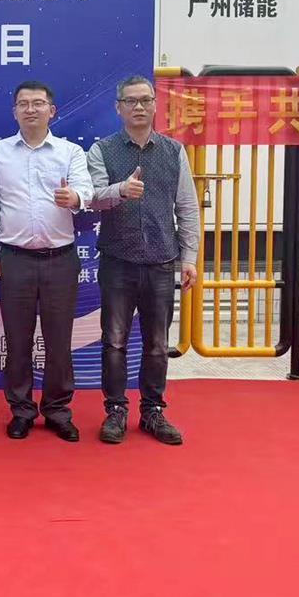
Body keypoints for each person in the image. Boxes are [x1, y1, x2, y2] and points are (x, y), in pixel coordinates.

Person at [86, 75, 199, 446]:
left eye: (145, 100)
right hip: (118, 261)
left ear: (155, 105)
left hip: (162, 262)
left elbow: (187, 207)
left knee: (157, 343)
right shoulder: (102, 150)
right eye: (130, 101)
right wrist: (121, 190)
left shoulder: (173, 151)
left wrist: (189, 257)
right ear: (118, 107)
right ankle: (116, 410)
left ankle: (153, 410)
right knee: (114, 341)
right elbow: (92, 198)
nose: (138, 107)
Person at [0, 80, 93, 443]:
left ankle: (57, 410)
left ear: (52, 110)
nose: (30, 109)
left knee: (59, 341)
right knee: (17, 341)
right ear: (15, 111)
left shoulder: (69, 152)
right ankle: (21, 411)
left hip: (60, 259)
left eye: (38, 103)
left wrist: (74, 197)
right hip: (14, 259)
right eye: (23, 104)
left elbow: (87, 189)